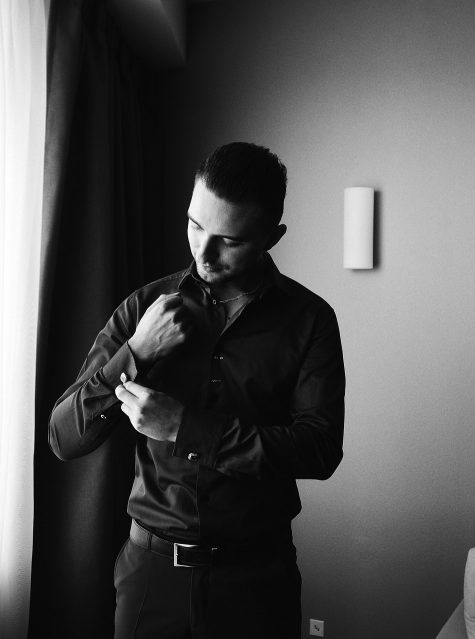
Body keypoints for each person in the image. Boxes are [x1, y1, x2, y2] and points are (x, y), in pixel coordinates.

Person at [48, 142, 346, 638]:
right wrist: (136, 352)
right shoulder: (144, 306)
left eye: (229, 240)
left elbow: (319, 450)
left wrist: (186, 428)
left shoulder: (310, 321)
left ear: (272, 237)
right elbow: (64, 438)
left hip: (257, 582)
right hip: (150, 577)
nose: (203, 252)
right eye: (194, 224)